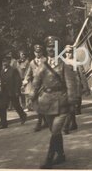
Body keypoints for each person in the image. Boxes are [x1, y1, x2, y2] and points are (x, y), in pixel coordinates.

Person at [32, 36, 76, 169]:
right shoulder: (42, 65)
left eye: (54, 47)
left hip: (62, 102)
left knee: (56, 130)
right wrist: (32, 95)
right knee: (54, 132)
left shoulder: (64, 65)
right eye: (49, 47)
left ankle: (49, 159)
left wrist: (72, 100)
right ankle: (61, 154)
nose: (51, 49)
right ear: (46, 49)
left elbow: (70, 84)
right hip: (46, 102)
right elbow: (36, 82)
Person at [62, 45, 89, 134]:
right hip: (65, 88)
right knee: (69, 107)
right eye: (66, 52)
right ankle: (73, 123)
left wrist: (86, 87)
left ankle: (66, 126)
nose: (68, 53)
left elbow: (82, 76)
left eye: (70, 52)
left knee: (71, 107)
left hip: (75, 88)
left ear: (72, 52)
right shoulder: (62, 62)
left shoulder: (76, 62)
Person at [0, 55, 27, 129]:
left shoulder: (13, 70)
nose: (4, 63)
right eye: (3, 61)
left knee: (16, 105)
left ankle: (23, 115)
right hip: (4, 92)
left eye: (6, 61)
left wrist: (17, 91)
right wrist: (0, 87)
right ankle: (3, 124)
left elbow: (18, 81)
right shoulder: (2, 71)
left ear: (9, 62)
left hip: (12, 92)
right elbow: (1, 81)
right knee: (2, 107)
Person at [23, 44, 47, 132]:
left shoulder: (46, 60)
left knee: (42, 103)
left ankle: (39, 123)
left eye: (39, 52)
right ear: (34, 52)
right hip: (35, 85)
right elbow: (28, 73)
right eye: (36, 52)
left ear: (42, 52)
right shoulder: (32, 62)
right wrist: (25, 81)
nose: (37, 54)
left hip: (45, 84)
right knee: (36, 104)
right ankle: (45, 121)